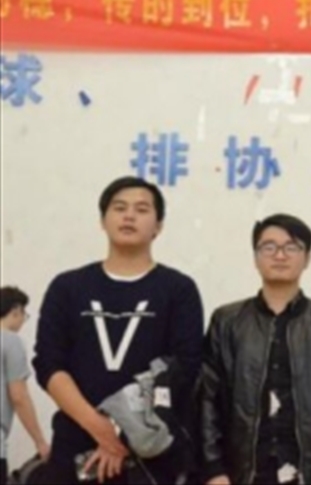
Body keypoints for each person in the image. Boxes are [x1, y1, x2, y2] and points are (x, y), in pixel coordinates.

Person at [32, 176, 205, 484]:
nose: (129, 216)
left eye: (142, 209)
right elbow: (49, 363)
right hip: (75, 446)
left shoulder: (178, 289)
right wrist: (99, 428)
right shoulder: (67, 287)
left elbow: (184, 366)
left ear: (158, 226)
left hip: (149, 454)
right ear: (103, 220)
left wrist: (121, 432)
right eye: (119, 208)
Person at [200, 214, 311, 485]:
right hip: (242, 472)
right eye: (269, 247)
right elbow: (207, 398)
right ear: (255, 257)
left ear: (307, 258)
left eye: (291, 247)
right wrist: (213, 469)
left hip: (310, 472)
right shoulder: (227, 321)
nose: (279, 255)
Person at [1, 287, 50, 484]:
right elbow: (19, 396)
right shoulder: (10, 341)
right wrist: (40, 442)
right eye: (24, 315)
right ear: (15, 310)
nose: (23, 320)